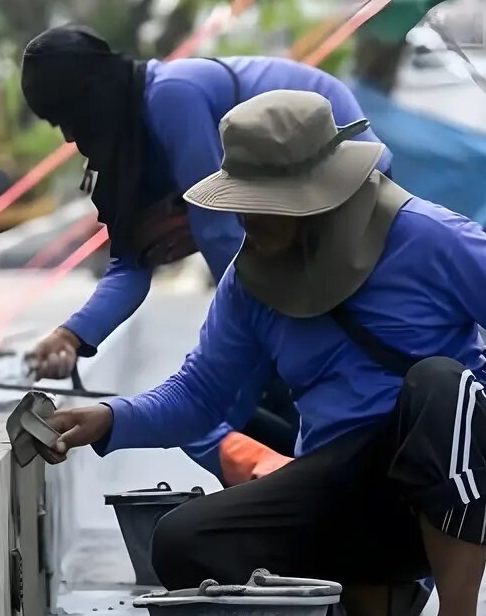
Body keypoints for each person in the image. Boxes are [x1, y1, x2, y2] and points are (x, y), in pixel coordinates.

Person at [41, 90, 486, 616]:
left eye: (265, 203)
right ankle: (369, 606)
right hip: (343, 484)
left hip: (461, 476)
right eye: (243, 202)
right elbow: (200, 394)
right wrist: (110, 420)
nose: (247, 217)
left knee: (437, 382)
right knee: (183, 542)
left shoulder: (428, 236)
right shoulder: (249, 282)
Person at [20, 24, 392, 481]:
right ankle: (279, 481)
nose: (68, 139)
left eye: (66, 119)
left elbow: (221, 230)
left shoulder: (171, 96)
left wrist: (250, 334)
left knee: (278, 376)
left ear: (92, 96)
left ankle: (298, 482)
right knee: (202, 417)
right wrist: (71, 336)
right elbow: (131, 265)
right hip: (276, 245)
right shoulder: (132, 147)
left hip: (337, 173)